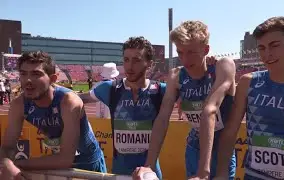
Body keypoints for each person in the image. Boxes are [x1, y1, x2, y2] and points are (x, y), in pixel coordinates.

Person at [214, 16, 284, 180]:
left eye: (275, 46)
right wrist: (221, 174)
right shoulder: (249, 82)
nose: (267, 54)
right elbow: (229, 133)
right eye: (261, 48)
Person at [133, 20, 236, 180]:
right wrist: (150, 164)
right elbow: (162, 118)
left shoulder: (222, 66)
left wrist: (203, 172)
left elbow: (210, 110)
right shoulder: (176, 76)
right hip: (194, 149)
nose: (185, 59)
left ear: (206, 50)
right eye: (180, 52)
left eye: (191, 52)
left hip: (223, 151)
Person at [0, 51, 106, 179]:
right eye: (23, 73)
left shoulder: (69, 102)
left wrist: (16, 164)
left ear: (53, 79)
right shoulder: (19, 104)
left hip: (89, 167)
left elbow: (65, 159)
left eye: (36, 74)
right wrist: (7, 164)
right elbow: (7, 147)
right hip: (56, 168)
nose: (28, 80)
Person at [79, 37, 166, 178]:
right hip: (119, 172)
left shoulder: (161, 90)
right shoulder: (110, 89)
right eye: (126, 60)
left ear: (149, 64)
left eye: (136, 60)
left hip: (150, 173)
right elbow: (75, 99)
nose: (129, 66)